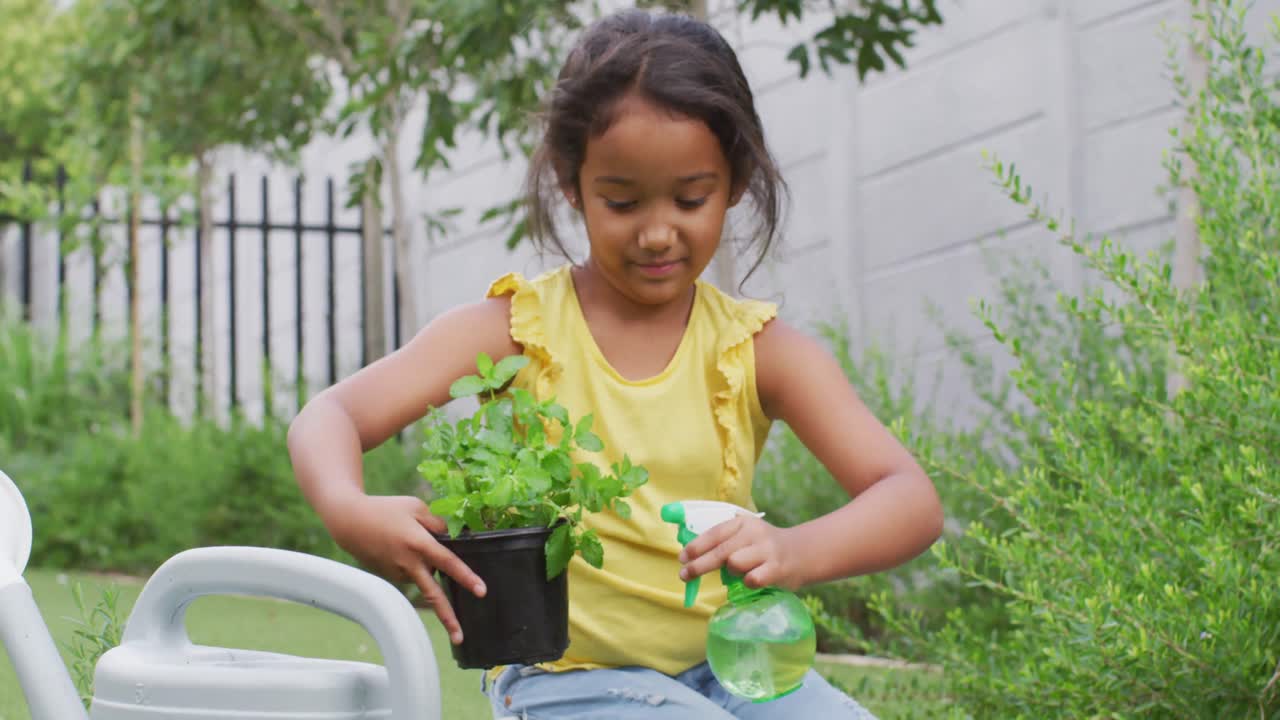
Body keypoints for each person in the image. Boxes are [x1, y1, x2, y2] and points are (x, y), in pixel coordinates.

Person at [287, 8, 943, 719]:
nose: (658, 233)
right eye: (622, 201)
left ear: (736, 181)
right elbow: (333, 416)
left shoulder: (756, 351)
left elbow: (907, 498)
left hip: (728, 668)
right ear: (573, 185)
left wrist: (791, 550)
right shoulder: (516, 332)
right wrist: (347, 509)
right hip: (565, 676)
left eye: (691, 198)